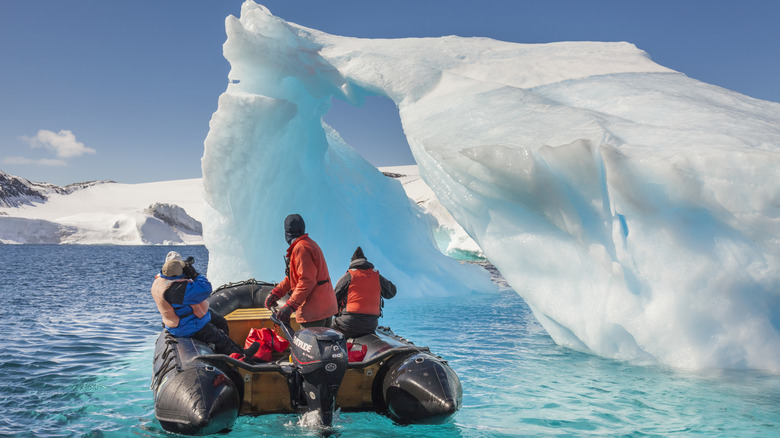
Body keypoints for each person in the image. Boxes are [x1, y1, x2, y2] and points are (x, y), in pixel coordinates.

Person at [151, 251, 258, 358]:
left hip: (176, 321)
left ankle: (222, 350)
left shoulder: (160, 282)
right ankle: (242, 356)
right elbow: (206, 288)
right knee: (218, 337)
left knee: (220, 321)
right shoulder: (179, 290)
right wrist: (194, 274)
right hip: (188, 326)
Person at [264, 214, 338, 328]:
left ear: (287, 233)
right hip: (325, 309)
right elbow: (294, 277)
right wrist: (277, 293)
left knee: (308, 345)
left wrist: (290, 306)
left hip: (314, 313)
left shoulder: (301, 248)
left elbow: (306, 281)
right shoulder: (309, 244)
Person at [331, 246, 397, 338]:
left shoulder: (348, 276)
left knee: (329, 327)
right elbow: (392, 292)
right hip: (371, 325)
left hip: (348, 324)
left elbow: (333, 300)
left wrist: (337, 314)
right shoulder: (376, 276)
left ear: (352, 262)